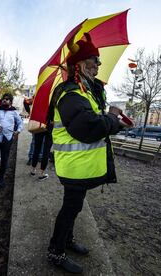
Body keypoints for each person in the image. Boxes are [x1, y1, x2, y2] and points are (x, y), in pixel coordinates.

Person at [47, 33, 128, 274]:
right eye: (95, 60)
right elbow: (88, 127)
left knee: (74, 207)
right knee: (70, 208)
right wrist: (112, 117)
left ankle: (66, 241)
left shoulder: (84, 90)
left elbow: (94, 119)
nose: (99, 65)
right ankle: (55, 251)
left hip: (80, 165)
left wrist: (115, 120)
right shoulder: (70, 93)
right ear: (81, 64)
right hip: (73, 165)